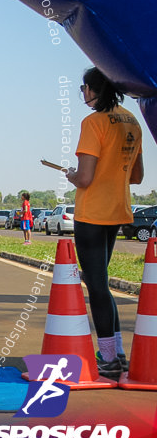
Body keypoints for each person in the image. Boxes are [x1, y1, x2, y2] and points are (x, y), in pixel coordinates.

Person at [66, 66, 143, 378]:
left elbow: (84, 177)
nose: (83, 94)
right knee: (102, 281)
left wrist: (72, 175)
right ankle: (117, 352)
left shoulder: (93, 122)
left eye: (83, 88)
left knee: (96, 284)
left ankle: (109, 358)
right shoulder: (132, 122)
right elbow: (137, 176)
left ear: (93, 89)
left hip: (93, 213)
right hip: (118, 210)